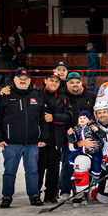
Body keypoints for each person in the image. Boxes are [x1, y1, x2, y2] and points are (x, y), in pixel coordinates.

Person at [0, 68, 49, 208]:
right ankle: (6, 196)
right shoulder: (5, 96)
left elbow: (43, 120)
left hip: (32, 143)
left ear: (30, 81)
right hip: (11, 143)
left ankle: (34, 196)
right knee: (9, 172)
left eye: (25, 78)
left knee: (32, 171)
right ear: (14, 80)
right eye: (20, 78)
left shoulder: (37, 96)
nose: (23, 80)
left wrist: (44, 137)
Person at [38, 73, 69, 203]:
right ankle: (35, 194)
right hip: (40, 139)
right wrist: (6, 89)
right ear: (45, 81)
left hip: (56, 139)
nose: (54, 83)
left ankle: (50, 195)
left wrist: (54, 117)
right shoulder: (36, 94)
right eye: (51, 80)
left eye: (56, 82)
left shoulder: (63, 98)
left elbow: (68, 115)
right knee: (38, 168)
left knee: (54, 169)